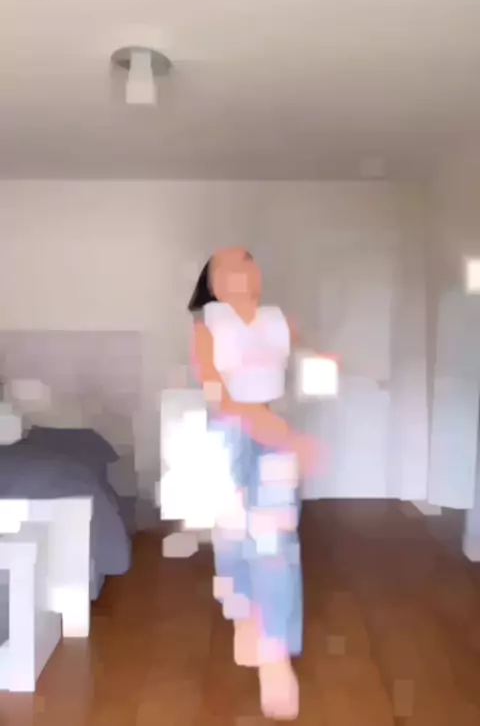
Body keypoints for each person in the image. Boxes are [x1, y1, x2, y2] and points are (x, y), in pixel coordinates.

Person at [188, 246, 318, 720]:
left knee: (274, 540)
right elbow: (216, 393)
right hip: (228, 436)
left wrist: (327, 365)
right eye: (227, 265)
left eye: (247, 259)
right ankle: (243, 615)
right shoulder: (206, 326)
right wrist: (270, 427)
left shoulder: (280, 321)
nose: (242, 268)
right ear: (213, 284)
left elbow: (313, 364)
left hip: (273, 432)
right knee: (231, 538)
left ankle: (275, 657)